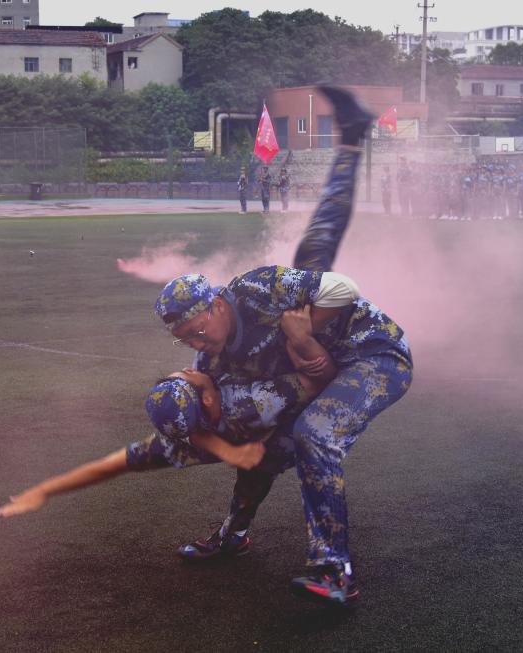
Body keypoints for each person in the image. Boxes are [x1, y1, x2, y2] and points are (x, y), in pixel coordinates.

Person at [155, 86, 412, 607]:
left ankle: (334, 571)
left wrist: (302, 331)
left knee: (317, 432)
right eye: (185, 340)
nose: (196, 342)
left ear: (217, 305)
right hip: (322, 363)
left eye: (197, 329)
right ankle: (233, 536)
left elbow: (346, 290)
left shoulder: (258, 290)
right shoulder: (213, 358)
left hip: (373, 354)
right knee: (263, 453)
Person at [0, 291, 356, 529]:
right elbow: (320, 380)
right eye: (185, 379)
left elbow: (109, 465)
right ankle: (250, 536)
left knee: (258, 466)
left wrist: (43, 491)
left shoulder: (180, 438)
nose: (186, 369)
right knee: (267, 462)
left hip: (250, 439)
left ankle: (236, 533)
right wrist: (301, 343)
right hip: (273, 434)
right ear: (206, 400)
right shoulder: (248, 403)